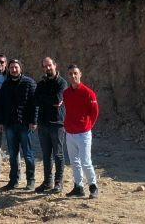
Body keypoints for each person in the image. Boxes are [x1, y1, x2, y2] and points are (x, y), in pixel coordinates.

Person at [0, 58, 39, 190]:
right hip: (10, 125)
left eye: (16, 67)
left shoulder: (30, 83)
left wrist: (34, 121)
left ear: (21, 68)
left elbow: (35, 104)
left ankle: (30, 180)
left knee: (28, 154)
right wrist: (1, 122)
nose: (14, 70)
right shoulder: (6, 84)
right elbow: (2, 106)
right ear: (8, 70)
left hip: (25, 125)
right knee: (13, 154)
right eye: (11, 68)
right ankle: (13, 181)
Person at [60, 64, 100, 198]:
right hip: (70, 133)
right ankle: (78, 187)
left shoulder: (88, 93)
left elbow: (94, 112)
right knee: (74, 162)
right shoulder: (66, 93)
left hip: (83, 134)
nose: (73, 76)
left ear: (80, 74)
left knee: (85, 161)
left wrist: (88, 126)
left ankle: (93, 186)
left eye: (75, 73)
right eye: (70, 74)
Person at [30, 56, 67, 193]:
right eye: (45, 66)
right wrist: (48, 100)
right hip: (43, 123)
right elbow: (35, 101)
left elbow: (57, 100)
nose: (47, 68)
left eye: (49, 65)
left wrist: (44, 99)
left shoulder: (62, 83)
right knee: (46, 155)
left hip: (57, 123)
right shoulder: (41, 83)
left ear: (55, 65)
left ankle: (59, 182)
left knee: (58, 154)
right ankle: (47, 182)